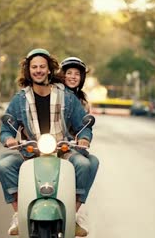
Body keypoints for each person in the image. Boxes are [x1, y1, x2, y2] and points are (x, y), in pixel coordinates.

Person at [0, 48, 93, 237]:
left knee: (84, 163)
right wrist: (8, 139)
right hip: (30, 150)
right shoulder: (20, 99)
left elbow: (83, 125)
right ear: (28, 71)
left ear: (49, 70)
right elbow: (7, 128)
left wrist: (84, 138)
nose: (38, 70)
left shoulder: (66, 96)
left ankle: (72, 213)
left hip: (62, 149)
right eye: (34, 67)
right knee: (3, 163)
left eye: (42, 66)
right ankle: (18, 212)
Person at [60, 56, 100, 230]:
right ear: (62, 75)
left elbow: (84, 126)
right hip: (48, 144)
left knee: (93, 162)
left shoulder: (83, 101)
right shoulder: (54, 94)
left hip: (72, 147)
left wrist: (83, 139)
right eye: (68, 73)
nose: (72, 77)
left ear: (82, 78)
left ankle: (75, 210)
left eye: (77, 74)